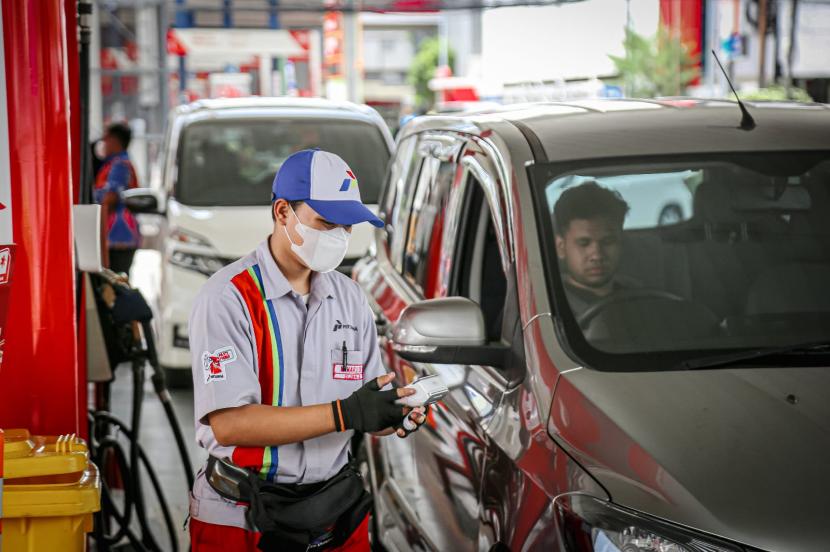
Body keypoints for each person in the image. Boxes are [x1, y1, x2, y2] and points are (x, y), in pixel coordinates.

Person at [188, 149, 427, 551]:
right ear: (283, 212)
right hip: (242, 521)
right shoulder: (229, 299)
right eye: (326, 223)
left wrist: (393, 413)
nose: (339, 236)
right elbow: (229, 424)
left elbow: (365, 405)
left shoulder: (350, 299)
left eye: (347, 226)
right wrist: (344, 413)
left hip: (334, 514)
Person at [553, 181, 630, 321]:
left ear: (621, 242)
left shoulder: (639, 296)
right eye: (584, 243)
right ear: (561, 247)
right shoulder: (549, 306)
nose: (597, 255)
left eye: (607, 242)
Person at [93, 122, 141, 275]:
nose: (103, 144)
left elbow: (110, 198)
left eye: (106, 139)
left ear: (114, 140)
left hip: (118, 236)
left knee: (116, 285)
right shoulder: (116, 163)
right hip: (119, 237)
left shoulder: (119, 165)